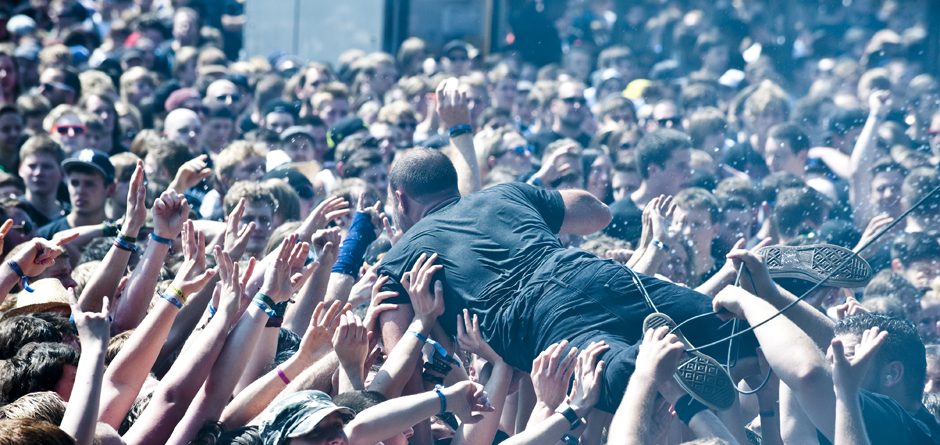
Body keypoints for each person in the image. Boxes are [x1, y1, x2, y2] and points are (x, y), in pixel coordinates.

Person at [376, 146, 758, 413]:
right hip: (587, 271)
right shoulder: (503, 194)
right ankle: (769, 295)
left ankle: (651, 354)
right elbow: (599, 214)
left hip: (537, 319)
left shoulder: (400, 259)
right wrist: (538, 205)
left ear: (401, 200)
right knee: (731, 326)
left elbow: (401, 371)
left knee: (607, 379)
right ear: (453, 184)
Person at [38, 149, 115, 239]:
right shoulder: (45, 236)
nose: (80, 190)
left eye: (89, 184)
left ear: (110, 189)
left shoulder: (122, 236)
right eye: (74, 183)